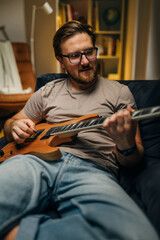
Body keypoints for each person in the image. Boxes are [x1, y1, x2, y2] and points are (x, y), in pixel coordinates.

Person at [1, 21, 159, 240]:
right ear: (61, 61)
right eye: (75, 56)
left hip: (94, 170)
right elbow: (12, 122)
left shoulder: (120, 93)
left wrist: (125, 145)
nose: (85, 61)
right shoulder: (48, 91)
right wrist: (14, 127)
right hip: (35, 161)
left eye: (89, 52)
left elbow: (135, 158)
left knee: (137, 235)